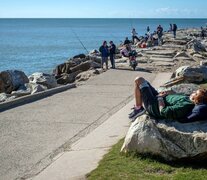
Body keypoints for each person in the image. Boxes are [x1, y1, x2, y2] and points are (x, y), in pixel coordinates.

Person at [128, 76, 207, 122]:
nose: (193, 92)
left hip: (153, 106)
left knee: (138, 80)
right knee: (144, 81)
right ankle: (139, 107)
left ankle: (139, 108)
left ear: (196, 99)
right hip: (158, 97)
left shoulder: (185, 105)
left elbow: (164, 111)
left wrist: (160, 99)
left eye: (195, 93)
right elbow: (174, 99)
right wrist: (166, 95)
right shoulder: (187, 99)